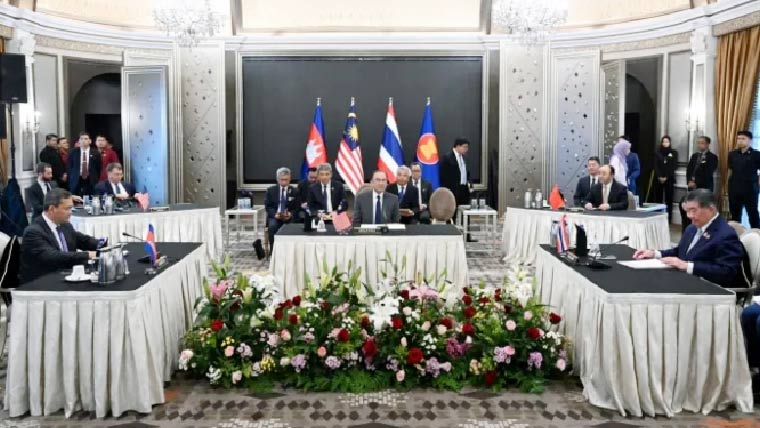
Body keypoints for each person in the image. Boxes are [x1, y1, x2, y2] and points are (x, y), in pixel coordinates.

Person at [634, 189, 751, 289]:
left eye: (694, 211)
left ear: (711, 209)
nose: (689, 216)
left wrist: (687, 266)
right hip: (687, 281)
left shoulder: (725, 235)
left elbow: (726, 272)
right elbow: (681, 251)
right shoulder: (692, 228)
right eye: (687, 211)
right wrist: (655, 253)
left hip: (711, 289)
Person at [19, 188, 100, 283]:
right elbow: (54, 256)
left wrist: (103, 246)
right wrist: (88, 254)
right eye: (67, 209)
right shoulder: (33, 232)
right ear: (52, 209)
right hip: (41, 283)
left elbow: (83, 240)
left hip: (65, 277)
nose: (70, 212)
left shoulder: (65, 225)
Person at [681, 136, 719, 231]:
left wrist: (696, 183)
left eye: (702, 143)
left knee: (700, 209)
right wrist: (689, 181)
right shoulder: (695, 156)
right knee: (688, 207)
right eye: (698, 143)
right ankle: (688, 230)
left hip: (704, 187)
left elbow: (708, 173)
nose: (699, 145)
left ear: (707, 144)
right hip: (692, 186)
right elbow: (689, 169)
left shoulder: (712, 157)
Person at [728, 130, 760, 229]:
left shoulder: (756, 154)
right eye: (738, 139)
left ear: (750, 140)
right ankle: (735, 235)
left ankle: (756, 234)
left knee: (753, 214)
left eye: (743, 138)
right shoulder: (732, 154)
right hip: (734, 188)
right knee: (735, 214)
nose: (740, 141)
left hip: (750, 189)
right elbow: (730, 170)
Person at [264, 167, 299, 247]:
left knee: (293, 226)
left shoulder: (295, 191)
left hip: (289, 217)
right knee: (272, 226)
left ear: (290, 179)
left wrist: (290, 214)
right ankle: (273, 250)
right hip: (275, 216)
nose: (284, 182)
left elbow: (297, 207)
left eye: (286, 179)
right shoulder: (271, 190)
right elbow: (268, 206)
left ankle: (290, 249)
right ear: (277, 179)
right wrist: (275, 214)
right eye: (282, 179)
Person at [67, 131, 101, 197]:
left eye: (85, 139)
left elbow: (98, 168)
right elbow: (69, 166)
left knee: (91, 197)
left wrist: (95, 177)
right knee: (76, 198)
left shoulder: (95, 152)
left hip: (90, 179)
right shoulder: (73, 152)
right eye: (81, 139)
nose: (83, 141)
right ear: (79, 141)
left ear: (90, 141)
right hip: (76, 179)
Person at [653, 135, 678, 222]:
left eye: (667, 142)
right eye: (663, 141)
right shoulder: (657, 153)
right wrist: (660, 176)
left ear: (670, 143)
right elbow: (656, 166)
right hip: (658, 179)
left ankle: (668, 218)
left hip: (669, 178)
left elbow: (673, 166)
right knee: (658, 198)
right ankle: (657, 217)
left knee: (669, 199)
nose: (665, 143)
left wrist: (666, 177)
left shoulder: (674, 153)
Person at [440, 137, 471, 206]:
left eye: (467, 147)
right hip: (453, 190)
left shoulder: (465, 157)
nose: (466, 149)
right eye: (464, 147)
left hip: (464, 190)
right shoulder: (447, 158)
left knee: (465, 210)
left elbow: (467, 173)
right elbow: (443, 176)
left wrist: (469, 183)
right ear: (457, 146)